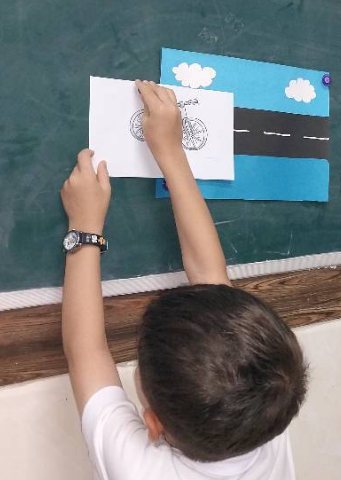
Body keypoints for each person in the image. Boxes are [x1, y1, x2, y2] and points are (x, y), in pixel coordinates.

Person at [59, 80, 307, 480]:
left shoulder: (139, 469)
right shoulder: (261, 414)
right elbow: (210, 279)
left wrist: (84, 228)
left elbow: (85, 350)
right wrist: (171, 153)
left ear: (153, 425)